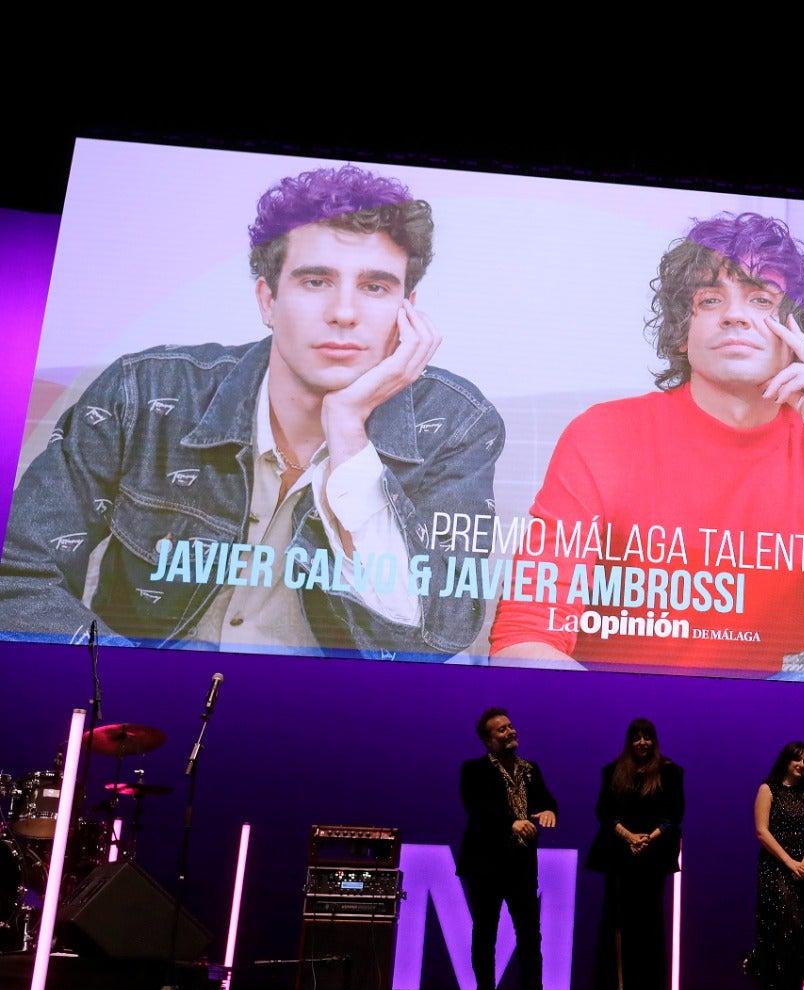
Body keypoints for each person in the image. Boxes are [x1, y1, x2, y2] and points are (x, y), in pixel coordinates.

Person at [0, 164, 503, 659]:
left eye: (375, 287)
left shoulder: (457, 425)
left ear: (407, 310)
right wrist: (127, 687)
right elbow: (19, 572)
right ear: (268, 299)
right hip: (139, 724)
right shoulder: (145, 392)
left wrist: (349, 434)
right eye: (316, 281)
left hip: (328, 722)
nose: (344, 313)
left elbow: (436, 634)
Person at [487, 211, 804, 677]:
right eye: (709, 300)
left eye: (762, 300)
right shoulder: (600, 434)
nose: (734, 315)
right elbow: (523, 639)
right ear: (683, 334)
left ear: (797, 335)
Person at [457, 708, 561, 990]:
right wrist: (511, 824)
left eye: (511, 726)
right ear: (488, 741)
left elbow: (546, 801)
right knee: (486, 930)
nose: (510, 732)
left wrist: (549, 812)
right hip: (485, 864)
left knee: (530, 932)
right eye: (501, 730)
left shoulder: (530, 769)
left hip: (521, 865)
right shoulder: (473, 770)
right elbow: (477, 809)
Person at [584, 717, 684, 990]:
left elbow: (675, 812)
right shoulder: (612, 771)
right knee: (617, 924)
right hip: (618, 855)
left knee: (649, 926)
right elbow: (604, 811)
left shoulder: (670, 772)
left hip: (653, 857)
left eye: (647, 737)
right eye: (636, 738)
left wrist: (648, 838)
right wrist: (628, 836)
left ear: (654, 740)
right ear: (629, 741)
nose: (642, 743)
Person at [751, 740, 804, 990]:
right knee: (781, 932)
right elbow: (762, 831)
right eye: (798, 759)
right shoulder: (767, 790)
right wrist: (790, 862)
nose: (802, 765)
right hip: (777, 868)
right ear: (786, 761)